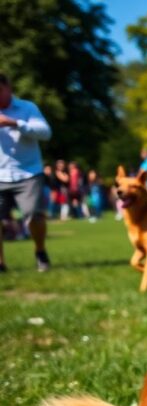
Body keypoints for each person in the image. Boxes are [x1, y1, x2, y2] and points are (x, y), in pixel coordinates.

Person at [0, 72, 53, 272]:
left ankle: (40, 251)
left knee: (33, 216)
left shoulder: (27, 108)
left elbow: (45, 133)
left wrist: (14, 123)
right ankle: (0, 262)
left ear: (8, 88)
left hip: (28, 173)